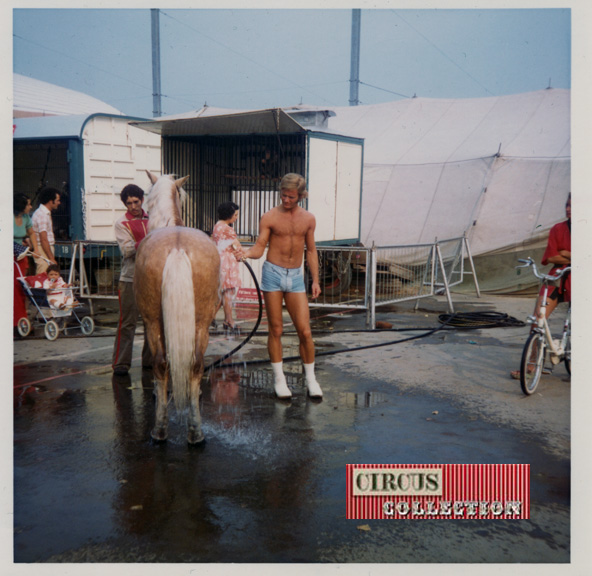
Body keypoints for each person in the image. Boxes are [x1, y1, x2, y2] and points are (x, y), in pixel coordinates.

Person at [238, 173, 323, 399]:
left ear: (301, 196)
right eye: (283, 196)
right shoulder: (269, 217)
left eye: (291, 197)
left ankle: (311, 380)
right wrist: (245, 253)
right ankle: (279, 379)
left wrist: (315, 279)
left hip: (296, 276)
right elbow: (259, 247)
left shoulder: (309, 219)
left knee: (304, 331)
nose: (286, 200)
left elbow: (312, 251)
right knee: (276, 329)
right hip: (273, 274)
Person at [511, 193, 571, 379]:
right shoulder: (557, 229)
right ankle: (532, 364)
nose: (568, 209)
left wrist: (567, 252)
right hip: (557, 276)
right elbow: (552, 257)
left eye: (573, 206)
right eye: (567, 205)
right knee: (539, 317)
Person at [112, 184, 152, 376]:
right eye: (129, 203)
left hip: (151, 278)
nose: (133, 206)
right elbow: (127, 251)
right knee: (127, 323)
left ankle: (151, 361)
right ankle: (121, 363)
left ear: (142, 200)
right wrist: (151, 239)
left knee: (152, 321)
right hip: (130, 279)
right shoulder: (121, 223)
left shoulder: (152, 217)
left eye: (136, 202)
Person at [212, 201, 242, 331]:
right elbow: (237, 246)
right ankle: (229, 320)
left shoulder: (217, 226)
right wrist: (241, 254)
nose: (236, 217)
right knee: (228, 291)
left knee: (223, 292)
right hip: (228, 262)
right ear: (229, 215)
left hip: (219, 260)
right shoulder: (227, 229)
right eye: (235, 215)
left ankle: (223, 319)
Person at [14, 194, 40, 332]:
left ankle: (21, 321)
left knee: (22, 288)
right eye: (28, 204)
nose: (30, 207)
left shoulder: (26, 218)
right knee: (14, 290)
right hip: (10, 255)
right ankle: (15, 322)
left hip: (20, 255)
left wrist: (35, 249)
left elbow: (31, 233)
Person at [31, 187, 61, 274]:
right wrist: (51, 258)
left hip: (43, 249)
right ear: (51, 201)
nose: (59, 203)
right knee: (43, 276)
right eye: (57, 200)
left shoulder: (43, 213)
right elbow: (43, 238)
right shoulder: (43, 215)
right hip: (42, 249)